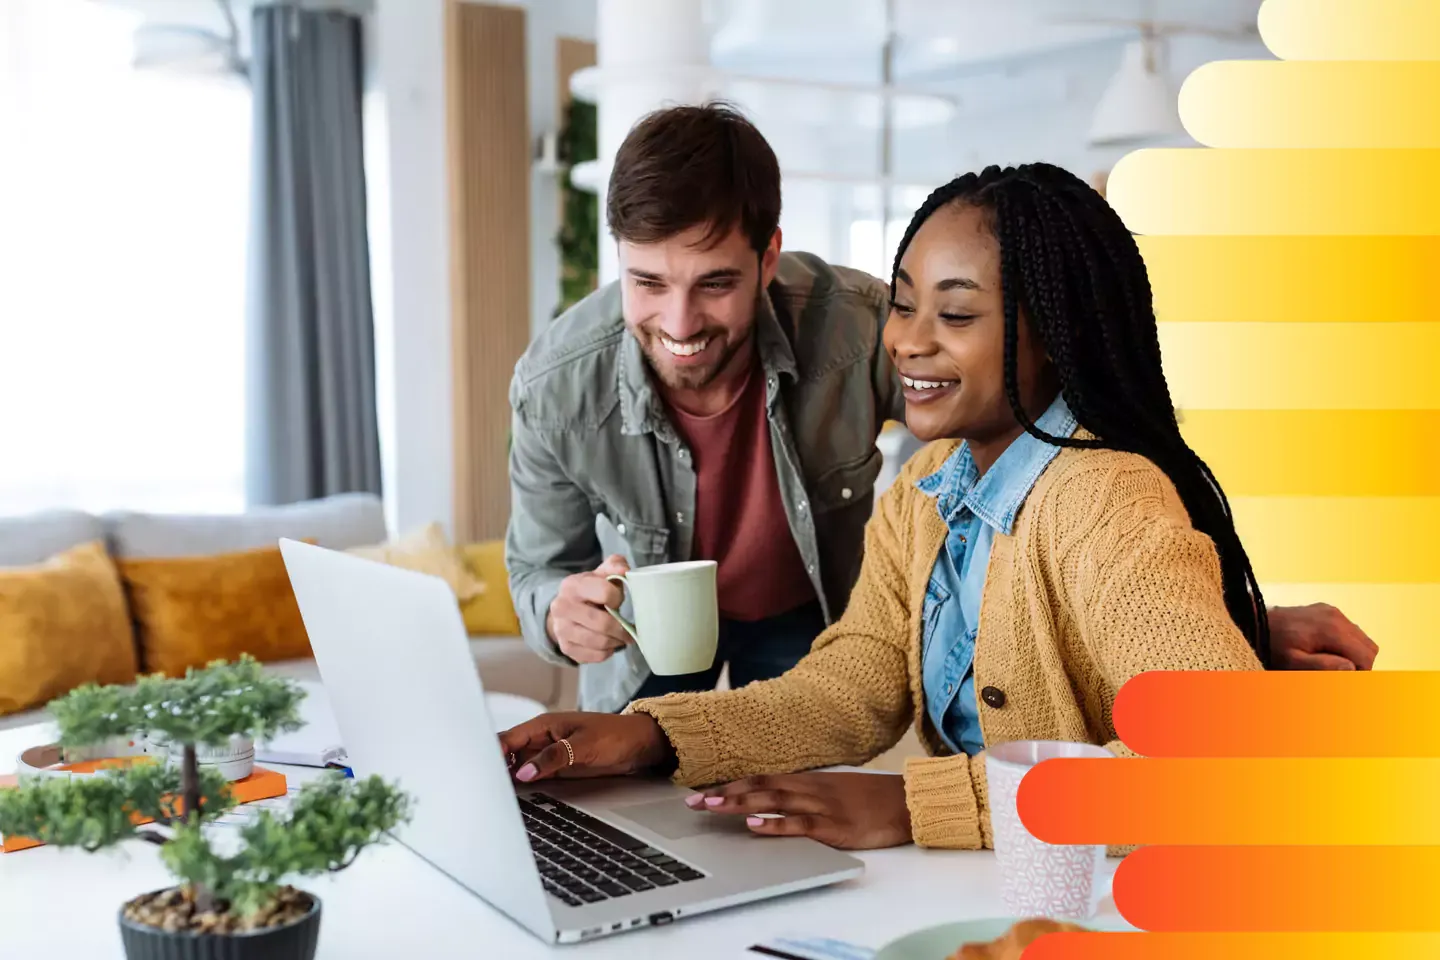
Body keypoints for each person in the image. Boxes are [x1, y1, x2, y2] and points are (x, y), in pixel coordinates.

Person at [501, 163, 1367, 852]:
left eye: (955, 313)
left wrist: (918, 806)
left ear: (1052, 332)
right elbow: (853, 685)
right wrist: (651, 734)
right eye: (906, 302)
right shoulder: (923, 491)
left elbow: (1215, 767)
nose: (909, 339)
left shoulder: (1108, 500)